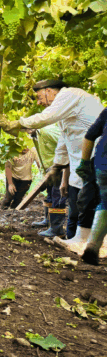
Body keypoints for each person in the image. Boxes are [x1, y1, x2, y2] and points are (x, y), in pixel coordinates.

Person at [0, 79, 103, 253]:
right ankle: (81, 240)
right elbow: (64, 140)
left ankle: (99, 245)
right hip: (82, 161)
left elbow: (46, 117)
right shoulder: (67, 112)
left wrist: (16, 123)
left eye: (39, 97)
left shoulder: (70, 95)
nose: (39, 102)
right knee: (80, 201)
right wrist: (57, 167)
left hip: (98, 156)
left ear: (50, 91)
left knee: (91, 201)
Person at [77, 107, 107, 264]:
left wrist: (84, 162)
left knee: (105, 203)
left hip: (102, 164)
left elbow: (89, 136)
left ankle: (92, 248)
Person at [27, 126, 64, 231]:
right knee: (50, 197)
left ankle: (56, 228)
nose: (28, 131)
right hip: (49, 171)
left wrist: (58, 165)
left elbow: (65, 145)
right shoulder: (36, 136)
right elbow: (43, 156)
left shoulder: (47, 131)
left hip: (58, 170)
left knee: (57, 199)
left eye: (28, 128)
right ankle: (47, 221)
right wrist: (44, 174)